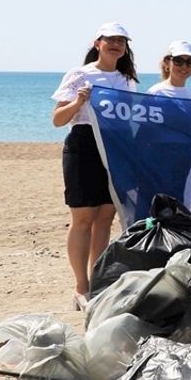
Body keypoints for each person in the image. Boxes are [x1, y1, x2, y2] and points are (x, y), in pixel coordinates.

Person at [51, 22, 139, 310]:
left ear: (125, 48)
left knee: (104, 218)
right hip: (84, 145)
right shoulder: (80, 74)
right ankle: (80, 287)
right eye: (110, 39)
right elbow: (58, 120)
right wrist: (78, 102)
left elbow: (131, 119)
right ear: (97, 43)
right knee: (83, 219)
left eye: (121, 41)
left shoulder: (127, 80)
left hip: (114, 147)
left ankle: (96, 281)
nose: (115, 45)